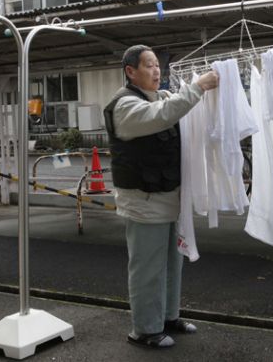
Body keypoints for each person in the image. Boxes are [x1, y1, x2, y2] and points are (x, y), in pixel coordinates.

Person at [103, 45, 219, 349]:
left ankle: (168, 318)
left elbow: (174, 108)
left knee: (171, 264)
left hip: (168, 200)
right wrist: (198, 86)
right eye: (149, 65)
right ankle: (144, 329)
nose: (157, 71)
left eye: (158, 65)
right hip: (144, 203)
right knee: (147, 269)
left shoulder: (161, 97)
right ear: (131, 71)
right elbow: (162, 115)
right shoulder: (125, 105)